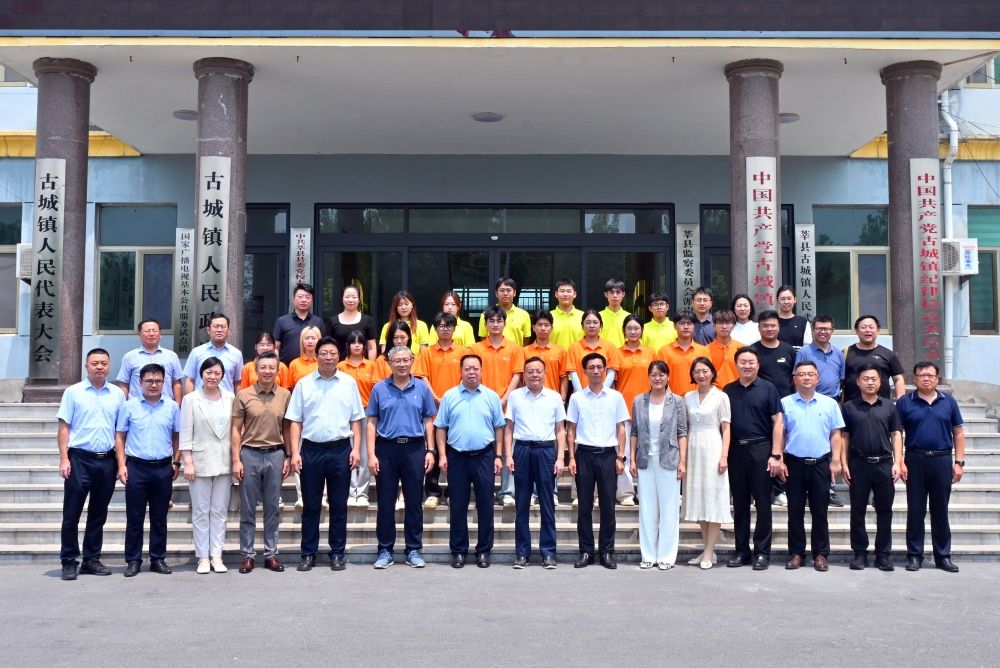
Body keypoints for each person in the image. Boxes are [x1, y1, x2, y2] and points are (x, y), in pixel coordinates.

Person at [287, 336, 364, 572]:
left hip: (341, 449)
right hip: (311, 450)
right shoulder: (304, 384)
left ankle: (337, 553)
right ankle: (308, 553)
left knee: (339, 505)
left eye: (332, 353)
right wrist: (295, 453)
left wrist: (356, 449)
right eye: (324, 353)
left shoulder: (349, 383)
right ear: (316, 356)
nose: (328, 357)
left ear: (339, 356)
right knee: (311, 505)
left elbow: (356, 419)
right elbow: (295, 421)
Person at [57, 348, 126, 581]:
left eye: (104, 363)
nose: (99, 367)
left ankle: (91, 559)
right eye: (95, 363)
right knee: (71, 513)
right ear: (86, 366)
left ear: (109, 366)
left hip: (106, 461)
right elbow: (64, 427)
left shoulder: (117, 394)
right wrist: (64, 458)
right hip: (79, 459)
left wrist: (121, 463)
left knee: (98, 513)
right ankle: (68, 560)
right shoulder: (73, 392)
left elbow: (120, 432)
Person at [366, 344, 437, 569]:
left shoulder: (422, 388)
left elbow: (428, 421)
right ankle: (385, 550)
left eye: (406, 360)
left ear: (412, 361)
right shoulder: (379, 389)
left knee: (414, 501)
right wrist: (371, 454)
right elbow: (371, 422)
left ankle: (413, 549)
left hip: (414, 449)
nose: (402, 364)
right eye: (397, 361)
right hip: (386, 449)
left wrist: (431, 450)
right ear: (389, 363)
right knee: (385, 502)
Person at [435, 354, 505, 569]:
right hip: (457, 457)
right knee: (457, 505)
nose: (472, 372)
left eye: (475, 368)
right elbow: (441, 427)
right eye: (467, 368)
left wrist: (498, 455)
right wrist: (442, 455)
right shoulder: (449, 396)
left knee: (485, 505)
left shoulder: (491, 396)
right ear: (461, 371)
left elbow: (499, 427)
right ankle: (458, 551)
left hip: (484, 456)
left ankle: (483, 551)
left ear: (481, 371)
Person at [897, 361, 966, 573]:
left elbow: (958, 433)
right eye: (921, 375)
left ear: (937, 379)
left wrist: (959, 462)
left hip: (942, 460)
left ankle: (943, 556)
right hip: (915, 460)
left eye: (930, 375)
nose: (926, 379)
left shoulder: (949, 402)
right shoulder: (905, 402)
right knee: (915, 510)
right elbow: (897, 433)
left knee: (940, 510)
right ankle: (914, 555)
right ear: (914, 379)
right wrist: (899, 461)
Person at [114, 363, 181, 577]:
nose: (153, 385)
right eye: (149, 381)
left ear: (164, 382)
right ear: (140, 382)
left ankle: (157, 559)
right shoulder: (129, 406)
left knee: (159, 516)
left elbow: (177, 436)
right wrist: (121, 465)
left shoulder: (172, 407)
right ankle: (133, 560)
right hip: (136, 467)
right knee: (135, 516)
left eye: (158, 381)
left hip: (163, 468)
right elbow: (120, 436)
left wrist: (176, 462)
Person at [779, 360, 844, 572]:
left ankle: (821, 554)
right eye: (801, 374)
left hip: (821, 463)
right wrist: (779, 458)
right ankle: (796, 553)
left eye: (810, 374)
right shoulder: (785, 403)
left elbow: (836, 434)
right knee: (795, 512)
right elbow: (781, 433)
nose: (806, 377)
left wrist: (836, 461)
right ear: (794, 379)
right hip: (794, 463)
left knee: (820, 512)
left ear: (817, 378)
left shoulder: (829, 404)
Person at [567, 352, 629, 570]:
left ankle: (606, 552)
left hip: (608, 455)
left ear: (605, 370)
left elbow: (621, 428)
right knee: (584, 506)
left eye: (599, 367)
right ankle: (586, 551)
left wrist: (620, 456)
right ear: (584, 371)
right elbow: (571, 429)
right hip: (584, 455)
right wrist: (571, 457)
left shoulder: (615, 397)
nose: (595, 371)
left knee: (608, 506)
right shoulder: (577, 398)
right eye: (591, 367)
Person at [231, 351, 291, 574]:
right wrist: (236, 460)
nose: (267, 371)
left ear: (277, 370)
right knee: (248, 508)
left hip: (275, 454)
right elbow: (235, 430)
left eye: (271, 367)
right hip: (250, 454)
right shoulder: (244, 395)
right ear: (255, 370)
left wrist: (288, 455)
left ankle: (270, 554)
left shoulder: (285, 395)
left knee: (272, 507)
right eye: (263, 367)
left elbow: (287, 428)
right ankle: (247, 555)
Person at [723, 347, 784, 571]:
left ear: (758, 365)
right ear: (736, 365)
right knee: (740, 505)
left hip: (761, 450)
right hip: (736, 452)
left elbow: (778, 422)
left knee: (763, 504)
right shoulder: (728, 390)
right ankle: (742, 551)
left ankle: (762, 552)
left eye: (751, 362)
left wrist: (776, 454)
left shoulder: (768, 388)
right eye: (743, 362)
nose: (747, 366)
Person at [505, 356, 567, 569]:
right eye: (530, 371)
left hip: (546, 451)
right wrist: (508, 455)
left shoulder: (554, 397)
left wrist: (560, 458)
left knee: (547, 504)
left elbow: (560, 430)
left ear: (545, 373)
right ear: (524, 375)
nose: (534, 375)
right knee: (521, 504)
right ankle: (522, 553)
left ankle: (548, 553)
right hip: (522, 450)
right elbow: (509, 428)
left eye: (538, 371)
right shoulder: (515, 396)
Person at [840, 364, 903, 572]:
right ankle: (860, 553)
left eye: (874, 379)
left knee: (884, 510)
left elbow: (896, 434)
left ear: (880, 382)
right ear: (858, 382)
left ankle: (883, 554)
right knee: (857, 510)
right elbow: (844, 437)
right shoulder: (849, 407)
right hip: (858, 464)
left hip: (884, 464)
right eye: (865, 379)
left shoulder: (890, 406)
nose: (870, 382)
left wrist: (898, 462)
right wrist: (844, 463)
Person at [629, 360, 688, 570]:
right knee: (647, 509)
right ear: (648, 377)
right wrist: (632, 458)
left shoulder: (677, 401)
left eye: (661, 374)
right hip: (645, 460)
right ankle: (648, 555)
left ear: (667, 377)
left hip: (669, 459)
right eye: (653, 374)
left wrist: (682, 461)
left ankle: (666, 556)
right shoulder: (639, 401)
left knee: (669, 509)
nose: (657, 378)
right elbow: (634, 431)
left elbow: (682, 432)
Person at [179, 356, 234, 575]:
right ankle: (203, 557)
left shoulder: (230, 397)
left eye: (217, 373)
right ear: (201, 374)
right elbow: (185, 432)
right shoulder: (191, 399)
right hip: (199, 462)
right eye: (208, 372)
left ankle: (216, 555)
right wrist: (187, 461)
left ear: (223, 376)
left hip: (224, 461)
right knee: (201, 511)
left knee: (219, 511)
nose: (212, 376)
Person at [414, 311, 470, 509]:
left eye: (449, 325)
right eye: (441, 326)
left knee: (454, 451)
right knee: (433, 450)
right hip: (433, 406)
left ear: (455, 328)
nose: (445, 329)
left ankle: (455, 491)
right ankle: (432, 492)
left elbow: (466, 376)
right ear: (436, 329)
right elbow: (423, 377)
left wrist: (450, 399)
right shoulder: (427, 352)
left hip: (458, 406)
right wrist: (436, 398)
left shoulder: (463, 352)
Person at [472, 305, 525, 507]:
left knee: (507, 448)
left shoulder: (515, 349)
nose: (495, 324)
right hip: (480, 404)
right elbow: (472, 374)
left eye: (499, 321)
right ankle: (484, 489)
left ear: (504, 324)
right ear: (485, 325)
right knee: (484, 448)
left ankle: (507, 491)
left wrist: (504, 398)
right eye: (491, 321)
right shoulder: (475, 349)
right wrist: (487, 399)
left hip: (507, 404)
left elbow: (517, 375)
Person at [682, 357, 732, 570]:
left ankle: (710, 552)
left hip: (713, 447)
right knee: (700, 500)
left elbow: (726, 429)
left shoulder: (721, 396)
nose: (701, 375)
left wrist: (724, 456)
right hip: (693, 449)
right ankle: (706, 549)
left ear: (712, 373)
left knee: (713, 499)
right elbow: (685, 427)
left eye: (705, 371)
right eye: (697, 371)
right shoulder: (687, 397)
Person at [796, 314, 847, 508]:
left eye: (826, 328)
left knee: (830, 445)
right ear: (813, 330)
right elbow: (797, 378)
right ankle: (804, 489)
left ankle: (830, 489)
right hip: (807, 402)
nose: (823, 332)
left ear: (832, 331)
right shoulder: (804, 352)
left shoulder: (838, 354)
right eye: (819, 328)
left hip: (831, 403)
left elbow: (841, 381)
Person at [615, 314, 655, 506]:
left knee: (647, 451)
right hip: (623, 409)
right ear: (624, 331)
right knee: (624, 452)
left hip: (647, 408)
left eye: (636, 328)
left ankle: (646, 491)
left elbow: (658, 379)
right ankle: (626, 493)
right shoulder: (616, 353)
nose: (633, 331)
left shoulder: (650, 353)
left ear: (642, 330)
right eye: (629, 328)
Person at [338, 330, 379, 507]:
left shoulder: (371, 366)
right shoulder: (341, 366)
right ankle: (349, 490)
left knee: (364, 451)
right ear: (348, 345)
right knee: (347, 451)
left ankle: (362, 492)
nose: (357, 345)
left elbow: (375, 391)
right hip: (345, 412)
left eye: (360, 342)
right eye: (353, 342)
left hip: (366, 411)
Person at [115, 318, 183, 403]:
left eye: (154, 331)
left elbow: (177, 383)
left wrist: (178, 405)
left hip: (165, 406)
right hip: (137, 406)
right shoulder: (129, 357)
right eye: (147, 331)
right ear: (139, 335)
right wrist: (123, 406)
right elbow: (124, 384)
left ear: (160, 334)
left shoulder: (171, 356)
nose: (151, 334)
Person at [843, 315, 906, 403]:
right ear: (857, 331)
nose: (867, 330)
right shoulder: (846, 353)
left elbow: (898, 379)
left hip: (882, 406)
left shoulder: (888, 354)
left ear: (878, 330)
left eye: (871, 327)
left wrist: (901, 401)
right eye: (863, 327)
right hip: (852, 406)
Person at [183, 312, 244, 394]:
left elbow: (238, 383)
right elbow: (190, 380)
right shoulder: (197, 352)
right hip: (200, 400)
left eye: (223, 326)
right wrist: (189, 400)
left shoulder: (236, 354)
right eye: (216, 326)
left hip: (227, 400)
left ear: (228, 331)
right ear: (208, 330)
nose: (219, 330)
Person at [567, 309, 622, 394]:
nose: (591, 325)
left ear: (601, 325)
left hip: (604, 395)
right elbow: (573, 373)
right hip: (580, 394)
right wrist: (581, 394)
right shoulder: (574, 347)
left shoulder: (610, 347)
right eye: (588, 322)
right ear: (582, 325)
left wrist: (601, 392)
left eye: (595, 322)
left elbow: (611, 373)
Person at [656, 311, 709, 397]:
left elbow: (708, 378)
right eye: (682, 323)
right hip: (672, 399)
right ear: (674, 326)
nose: (686, 327)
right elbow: (659, 378)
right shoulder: (664, 351)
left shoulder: (703, 351)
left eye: (689, 323)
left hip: (698, 399)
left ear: (694, 326)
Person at [272, 282, 326, 365]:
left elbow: (323, 346)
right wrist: (277, 365)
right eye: (300, 297)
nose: (303, 300)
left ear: (312, 301)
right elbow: (275, 348)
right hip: (287, 368)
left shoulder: (318, 322)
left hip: (314, 368)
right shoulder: (282, 321)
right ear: (293, 300)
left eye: (307, 297)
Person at [523, 310, 569, 401]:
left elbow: (564, 378)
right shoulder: (524, 351)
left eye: (546, 325)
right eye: (539, 325)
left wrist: (562, 400)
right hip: (528, 399)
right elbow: (521, 378)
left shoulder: (560, 351)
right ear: (533, 327)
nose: (543, 328)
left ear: (552, 328)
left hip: (552, 399)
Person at [749, 310, 796, 399]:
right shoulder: (752, 351)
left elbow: (795, 376)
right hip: (761, 400)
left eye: (773, 325)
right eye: (765, 326)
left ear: (779, 327)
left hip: (786, 400)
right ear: (759, 328)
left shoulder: (789, 349)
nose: (769, 329)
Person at [327, 284, 377, 360]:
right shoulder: (333, 321)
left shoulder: (367, 320)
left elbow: (371, 347)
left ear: (359, 299)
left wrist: (371, 365)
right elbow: (328, 347)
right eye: (347, 297)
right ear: (342, 299)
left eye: (354, 297)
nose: (350, 300)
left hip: (362, 365)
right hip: (339, 365)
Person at [477, 277, 532, 346]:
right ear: (496, 293)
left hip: (516, 352)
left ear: (514, 293)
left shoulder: (524, 315)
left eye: (509, 290)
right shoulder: (485, 315)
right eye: (502, 290)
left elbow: (526, 340)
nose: (505, 293)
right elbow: (483, 339)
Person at [706, 309, 742, 389]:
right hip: (714, 392)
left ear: (734, 326)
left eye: (728, 323)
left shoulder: (741, 348)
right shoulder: (705, 350)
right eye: (720, 323)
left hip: (738, 391)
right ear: (714, 326)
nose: (724, 326)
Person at [549, 278, 584, 349]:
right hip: (554, 356)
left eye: (568, 291)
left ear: (574, 294)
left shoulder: (584, 316)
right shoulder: (548, 316)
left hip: (578, 356)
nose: (565, 294)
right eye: (562, 291)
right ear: (556, 294)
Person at [599, 278, 630, 347]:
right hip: (602, 353)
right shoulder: (598, 317)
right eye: (611, 292)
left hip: (624, 353)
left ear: (623, 294)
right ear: (606, 294)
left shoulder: (629, 317)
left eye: (618, 292)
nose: (615, 296)